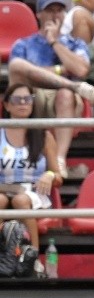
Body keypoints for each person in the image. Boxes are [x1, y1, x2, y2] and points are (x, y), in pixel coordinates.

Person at [8, 0, 94, 179]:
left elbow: (82, 70)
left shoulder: (75, 43)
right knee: (17, 65)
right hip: (32, 98)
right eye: (49, 10)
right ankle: (77, 87)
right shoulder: (23, 44)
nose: (55, 15)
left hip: (65, 101)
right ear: (39, 14)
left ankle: (59, 159)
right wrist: (60, 69)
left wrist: (54, 42)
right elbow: (18, 71)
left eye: (59, 10)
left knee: (65, 94)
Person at [0, 83, 63, 251]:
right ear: (6, 105)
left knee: (21, 200)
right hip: (2, 189)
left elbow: (58, 176)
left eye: (27, 99)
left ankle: (32, 257)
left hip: (34, 192)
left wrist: (49, 175)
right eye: (17, 99)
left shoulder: (44, 135)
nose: (23, 103)